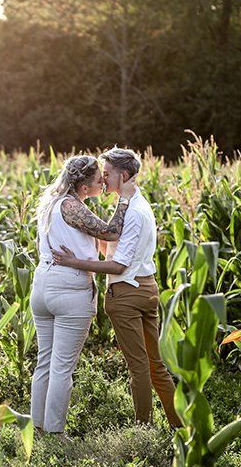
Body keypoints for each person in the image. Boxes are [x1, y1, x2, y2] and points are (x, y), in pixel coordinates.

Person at [52, 147, 182, 429]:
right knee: (155, 365)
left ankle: (143, 429)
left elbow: (119, 266)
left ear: (123, 176)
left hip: (126, 295)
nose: (103, 179)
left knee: (139, 367)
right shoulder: (140, 204)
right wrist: (96, 238)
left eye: (107, 173)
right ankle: (179, 426)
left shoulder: (131, 211)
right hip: (146, 289)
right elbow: (114, 249)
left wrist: (74, 262)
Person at [30, 155, 135, 435]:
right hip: (69, 288)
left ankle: (37, 427)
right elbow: (111, 232)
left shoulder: (51, 203)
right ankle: (55, 433)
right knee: (62, 367)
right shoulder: (71, 205)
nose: (104, 182)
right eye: (99, 179)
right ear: (85, 187)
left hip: (42, 284)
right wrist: (124, 199)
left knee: (45, 362)